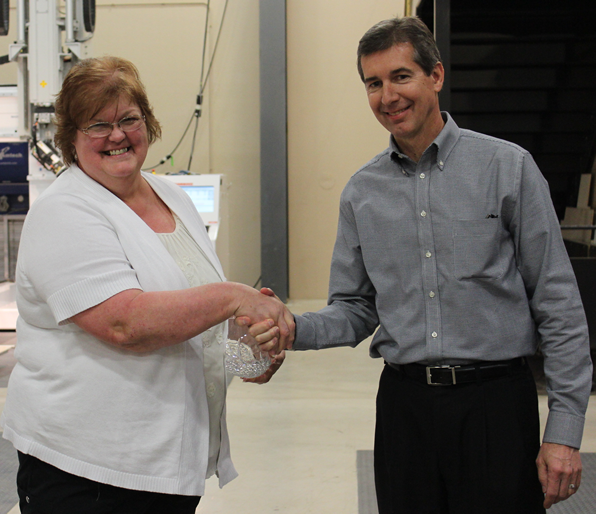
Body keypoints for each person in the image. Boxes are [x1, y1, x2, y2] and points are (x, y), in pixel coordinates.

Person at [252, 16, 593, 513]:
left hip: (494, 408)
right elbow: (354, 309)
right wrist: (290, 327)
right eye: (373, 83)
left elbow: (559, 304)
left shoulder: (508, 168)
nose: (387, 96)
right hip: (404, 410)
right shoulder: (361, 193)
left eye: (400, 76)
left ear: (436, 75)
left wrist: (564, 432)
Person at [0, 56, 292, 513]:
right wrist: (235, 296)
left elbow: (201, 319)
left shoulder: (172, 198)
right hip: (88, 472)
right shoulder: (65, 211)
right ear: (71, 138)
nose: (117, 135)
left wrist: (252, 346)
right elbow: (124, 322)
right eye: (97, 125)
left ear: (148, 124)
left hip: (165, 466)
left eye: (129, 120)